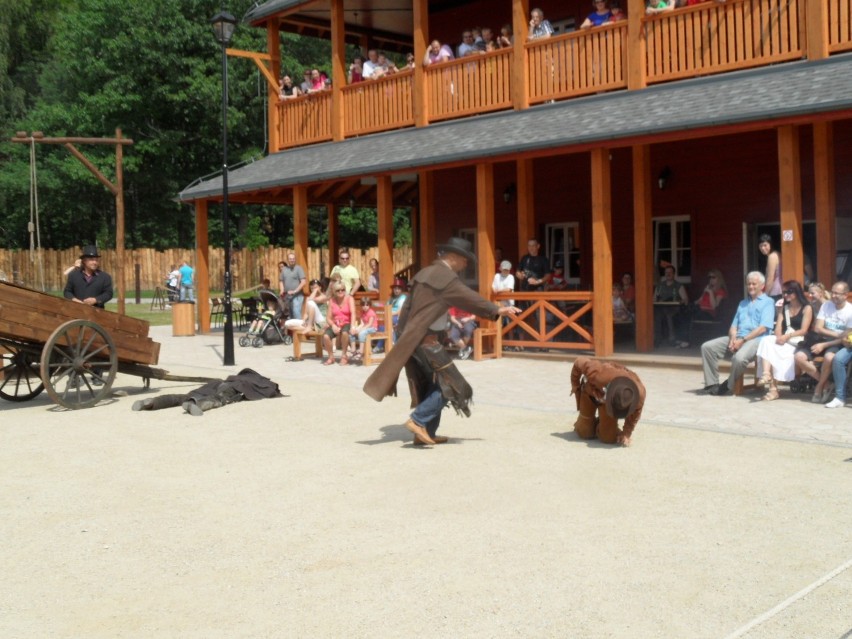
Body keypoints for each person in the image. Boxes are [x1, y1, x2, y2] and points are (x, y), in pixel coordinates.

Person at [363, 237, 520, 446]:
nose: (465, 265)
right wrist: (496, 309)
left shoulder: (424, 273)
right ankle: (418, 421)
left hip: (412, 338)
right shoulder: (445, 278)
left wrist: (402, 339)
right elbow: (468, 297)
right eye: (464, 260)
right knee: (452, 384)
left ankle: (425, 432)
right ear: (454, 257)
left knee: (433, 384)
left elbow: (406, 310)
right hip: (425, 341)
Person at [698, 271, 775, 396]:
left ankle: (728, 385)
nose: (750, 287)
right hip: (739, 338)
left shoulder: (768, 302)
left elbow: (763, 328)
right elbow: (734, 325)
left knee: (739, 358)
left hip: (757, 339)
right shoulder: (743, 303)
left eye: (754, 284)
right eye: (748, 284)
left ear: (762, 285)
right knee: (707, 347)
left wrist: (742, 340)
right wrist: (733, 337)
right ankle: (712, 384)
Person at [131, 368, 281, 416]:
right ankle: (197, 405)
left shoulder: (236, 376)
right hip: (233, 388)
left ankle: (153, 402)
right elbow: (270, 390)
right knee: (220, 398)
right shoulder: (260, 382)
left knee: (184, 396)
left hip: (217, 383)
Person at [794, 281, 852, 404]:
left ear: (846, 295)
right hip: (818, 339)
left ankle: (819, 387)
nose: (834, 296)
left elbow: (846, 338)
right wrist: (837, 334)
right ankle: (826, 384)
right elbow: (818, 328)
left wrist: (825, 344)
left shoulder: (850, 311)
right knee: (799, 357)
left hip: (834, 344)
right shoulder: (827, 306)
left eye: (837, 293)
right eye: (833, 292)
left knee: (829, 357)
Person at [755, 280, 812, 401]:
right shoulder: (784, 308)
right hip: (785, 341)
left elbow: (804, 330)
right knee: (767, 341)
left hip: (798, 343)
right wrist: (779, 336)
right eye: (784, 292)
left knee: (772, 351)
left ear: (796, 292)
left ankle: (773, 389)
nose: (785, 295)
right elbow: (778, 328)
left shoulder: (806, 308)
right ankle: (766, 374)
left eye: (789, 292)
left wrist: (787, 337)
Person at [570, 356, 646, 447]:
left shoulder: (639, 395)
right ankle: (587, 422)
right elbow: (578, 362)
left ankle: (600, 424)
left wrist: (626, 433)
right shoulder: (599, 374)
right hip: (589, 394)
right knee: (584, 433)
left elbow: (636, 414)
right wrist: (575, 386)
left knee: (609, 438)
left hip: (605, 404)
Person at [675, 268, 727, 348]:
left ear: (719, 278)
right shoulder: (708, 289)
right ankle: (681, 338)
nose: (711, 279)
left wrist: (710, 293)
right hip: (700, 309)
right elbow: (699, 300)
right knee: (682, 312)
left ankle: (686, 340)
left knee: (688, 314)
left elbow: (714, 306)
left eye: (713, 277)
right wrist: (693, 303)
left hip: (710, 314)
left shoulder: (720, 291)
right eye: (709, 277)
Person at [323, 280, 356, 366]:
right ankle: (331, 357)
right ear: (334, 291)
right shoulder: (332, 300)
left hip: (347, 322)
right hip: (336, 323)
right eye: (338, 290)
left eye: (343, 289)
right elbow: (328, 317)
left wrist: (352, 326)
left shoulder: (349, 298)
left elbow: (353, 313)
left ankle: (344, 356)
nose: (341, 292)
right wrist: (333, 325)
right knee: (326, 336)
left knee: (345, 333)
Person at [654, 264, 688, 345]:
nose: (668, 274)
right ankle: (656, 339)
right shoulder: (659, 286)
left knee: (669, 314)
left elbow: (686, 300)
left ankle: (672, 338)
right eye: (666, 273)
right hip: (661, 308)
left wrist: (680, 301)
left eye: (670, 272)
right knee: (655, 314)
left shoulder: (679, 286)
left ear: (674, 274)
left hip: (674, 308)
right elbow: (654, 299)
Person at [278, 251, 307, 321]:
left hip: (297, 295)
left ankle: (299, 329)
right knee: (289, 314)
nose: (292, 260)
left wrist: (295, 291)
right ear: (288, 260)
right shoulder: (284, 269)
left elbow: (303, 282)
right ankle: (291, 331)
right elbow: (281, 281)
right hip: (287, 296)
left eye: (293, 258)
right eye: (290, 259)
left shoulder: (299, 268)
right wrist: (282, 290)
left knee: (296, 312)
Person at [352, 297, 378, 363]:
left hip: (373, 328)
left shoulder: (371, 312)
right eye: (363, 305)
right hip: (366, 328)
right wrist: (357, 329)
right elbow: (362, 323)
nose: (365, 307)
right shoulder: (362, 312)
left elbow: (370, 324)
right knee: (352, 332)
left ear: (369, 305)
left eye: (367, 305)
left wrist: (361, 330)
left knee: (362, 333)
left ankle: (361, 352)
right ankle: (353, 351)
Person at [758, 233, 782, 301]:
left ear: (770, 245)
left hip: (775, 292)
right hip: (780, 291)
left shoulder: (772, 256)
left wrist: (765, 295)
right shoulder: (777, 253)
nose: (763, 248)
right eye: (760, 246)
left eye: (765, 245)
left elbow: (770, 278)